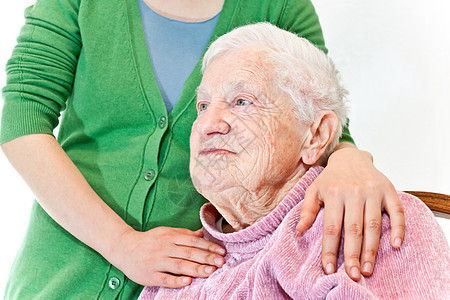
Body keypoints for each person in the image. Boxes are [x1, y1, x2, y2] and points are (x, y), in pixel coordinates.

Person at [0, 0, 405, 298]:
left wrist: (351, 158)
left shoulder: (281, 6)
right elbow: (22, 117)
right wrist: (121, 244)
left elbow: (315, 110)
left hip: (194, 278)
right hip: (64, 273)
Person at [139, 22, 450, 299]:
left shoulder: (374, 227)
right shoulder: (175, 267)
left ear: (315, 135)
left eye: (242, 101)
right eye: (203, 105)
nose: (207, 125)